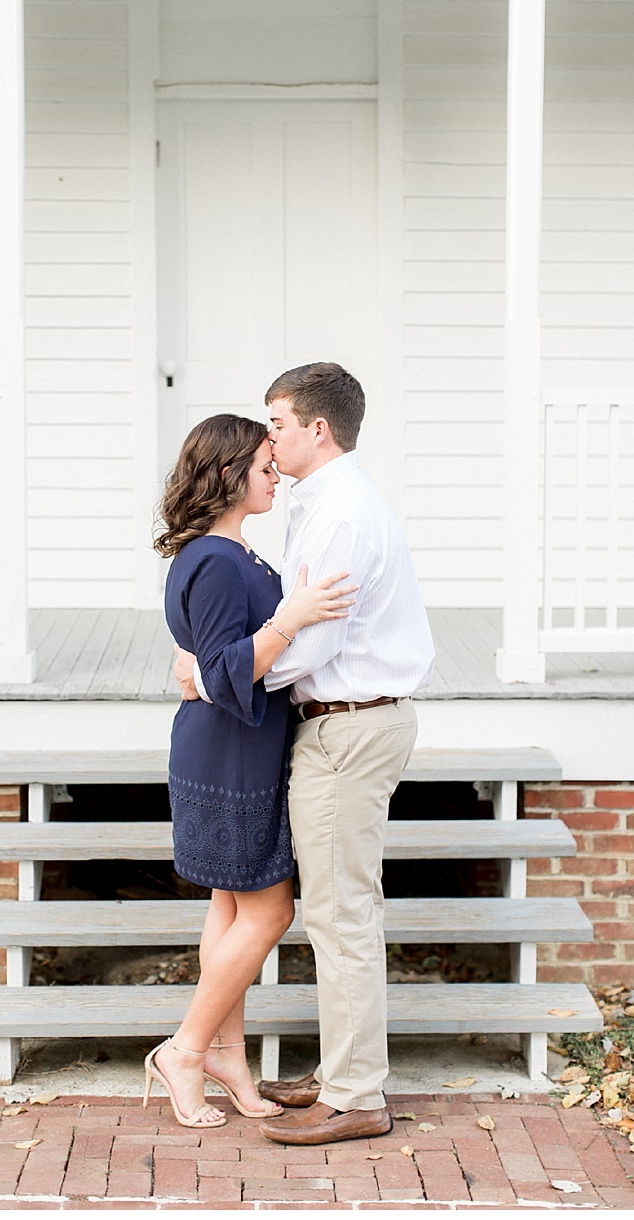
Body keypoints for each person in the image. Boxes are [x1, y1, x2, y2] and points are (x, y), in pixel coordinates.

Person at [175, 363, 435, 1147]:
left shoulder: (340, 515)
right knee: (329, 907)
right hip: (334, 724)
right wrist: (224, 662)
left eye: (279, 424)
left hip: (348, 726)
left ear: (317, 429)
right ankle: (342, 1071)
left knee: (339, 912)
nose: (272, 439)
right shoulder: (322, 507)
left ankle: (356, 1096)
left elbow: (309, 641)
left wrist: (217, 674)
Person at [145, 414, 355, 1128]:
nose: (276, 476)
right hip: (228, 753)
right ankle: (186, 1048)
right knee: (272, 909)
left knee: (231, 906)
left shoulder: (234, 555)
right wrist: (291, 618)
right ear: (232, 475)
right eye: (266, 467)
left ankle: (227, 1055)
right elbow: (231, 672)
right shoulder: (213, 559)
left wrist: (210, 661)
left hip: (241, 748)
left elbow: (209, 663)